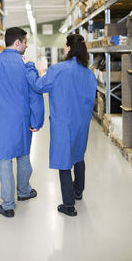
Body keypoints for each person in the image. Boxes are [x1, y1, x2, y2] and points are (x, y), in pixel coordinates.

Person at [23, 34, 97, 217]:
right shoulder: (89, 74)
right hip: (82, 123)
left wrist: (30, 66)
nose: (64, 49)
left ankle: (68, 205)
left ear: (70, 48)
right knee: (79, 156)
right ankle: (78, 191)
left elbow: (38, 85)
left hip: (64, 124)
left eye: (65, 46)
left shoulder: (58, 70)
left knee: (64, 161)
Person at [0, 27, 44, 218]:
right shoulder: (25, 65)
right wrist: (36, 121)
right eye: (25, 42)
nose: (26, 46)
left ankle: (8, 206)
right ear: (17, 42)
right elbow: (35, 95)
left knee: (5, 161)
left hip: (1, 120)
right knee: (23, 156)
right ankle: (24, 192)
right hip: (22, 120)